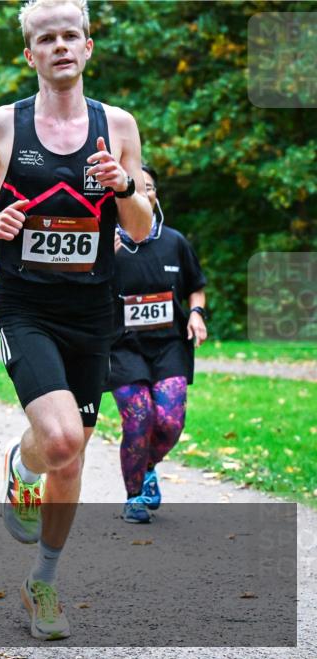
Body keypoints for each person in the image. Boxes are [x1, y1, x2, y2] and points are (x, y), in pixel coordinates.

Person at [0, 0, 153, 641]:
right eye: (46, 38)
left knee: (73, 452)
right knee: (60, 441)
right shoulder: (2, 126)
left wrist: (123, 186)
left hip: (93, 310)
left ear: (88, 47)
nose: (60, 46)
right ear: (29, 54)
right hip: (27, 306)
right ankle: (23, 465)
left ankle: (44, 583)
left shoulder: (117, 125)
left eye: (71, 36)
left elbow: (141, 228)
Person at [108, 164, 208, 523]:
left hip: (169, 346)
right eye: (132, 188)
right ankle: (134, 496)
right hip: (121, 346)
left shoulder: (175, 242)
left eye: (146, 188)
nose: (140, 193)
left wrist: (197, 314)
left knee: (169, 422)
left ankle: (147, 465)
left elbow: (196, 285)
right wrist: (103, 255)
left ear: (154, 196)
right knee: (139, 418)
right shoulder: (106, 242)